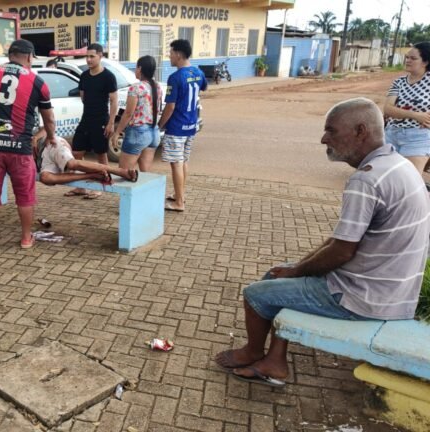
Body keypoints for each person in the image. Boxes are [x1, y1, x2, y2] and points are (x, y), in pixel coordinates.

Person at [215, 98, 430, 387]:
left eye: (331, 131)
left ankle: (254, 351)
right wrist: (298, 267)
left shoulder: (367, 181)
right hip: (392, 290)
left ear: (360, 131)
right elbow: (339, 240)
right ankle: (274, 362)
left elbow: (342, 251)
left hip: (365, 298)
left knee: (256, 294)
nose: (323, 139)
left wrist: (298, 271)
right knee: (279, 276)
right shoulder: (397, 165)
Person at [0, 39, 57, 253]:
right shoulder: (38, 82)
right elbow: (49, 120)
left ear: (10, 55)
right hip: (21, 148)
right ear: (28, 57)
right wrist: (51, 137)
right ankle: (26, 238)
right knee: (25, 195)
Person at [158, 40, 207, 212]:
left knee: (176, 163)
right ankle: (181, 195)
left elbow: (170, 106)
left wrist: (160, 125)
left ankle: (179, 203)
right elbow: (203, 88)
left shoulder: (175, 77)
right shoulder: (198, 72)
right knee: (184, 161)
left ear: (178, 54)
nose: (169, 57)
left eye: (171, 53)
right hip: (191, 125)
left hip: (177, 126)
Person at [65, 43, 118, 199]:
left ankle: (103, 184)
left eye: (92, 56)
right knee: (77, 152)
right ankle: (81, 187)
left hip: (101, 119)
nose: (88, 60)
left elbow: (114, 101)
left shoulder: (108, 76)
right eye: (87, 56)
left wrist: (110, 123)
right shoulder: (84, 76)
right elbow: (83, 96)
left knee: (101, 154)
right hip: (86, 118)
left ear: (100, 56)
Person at [383, 41, 430, 175]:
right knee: (387, 178)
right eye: (407, 57)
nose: (408, 60)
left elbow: (394, 109)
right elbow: (388, 109)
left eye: (413, 58)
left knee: (409, 179)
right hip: (391, 134)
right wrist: (416, 115)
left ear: (425, 62)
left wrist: (400, 112)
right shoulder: (399, 82)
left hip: (418, 137)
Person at [31, 129, 138, 185]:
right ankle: (91, 175)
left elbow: (47, 126)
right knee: (45, 178)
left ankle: (120, 171)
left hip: (49, 145)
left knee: (72, 164)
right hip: (43, 164)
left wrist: (35, 138)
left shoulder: (19, 129)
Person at [111, 55, 162, 173]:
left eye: (136, 67)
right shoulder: (157, 86)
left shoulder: (136, 88)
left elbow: (128, 113)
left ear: (140, 68)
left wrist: (117, 132)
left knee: (124, 172)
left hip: (138, 132)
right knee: (145, 174)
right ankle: (147, 192)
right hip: (154, 132)